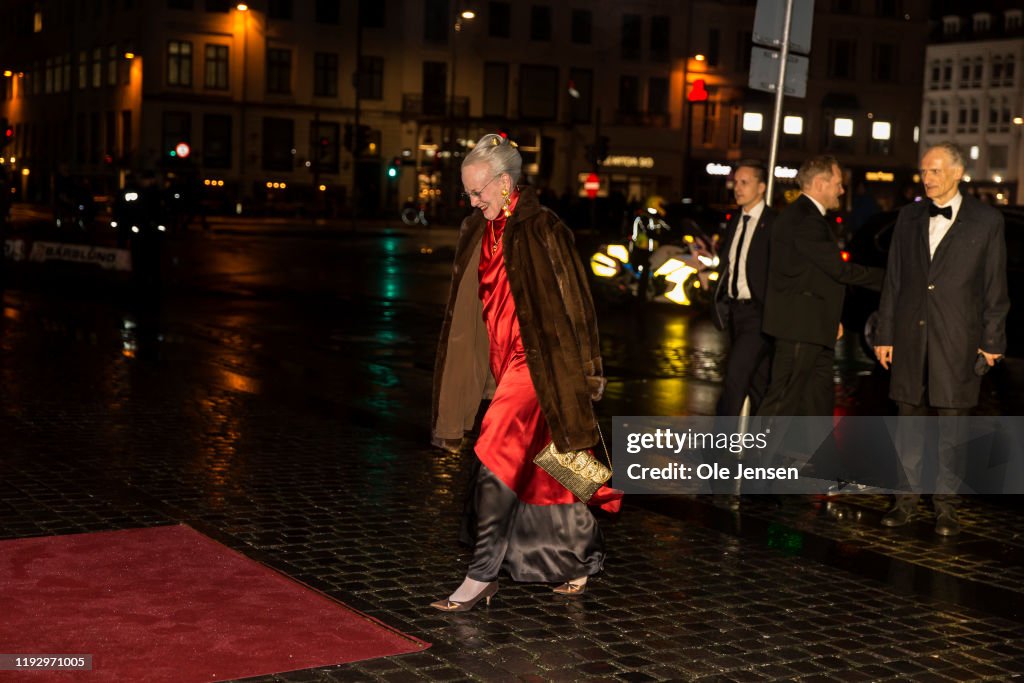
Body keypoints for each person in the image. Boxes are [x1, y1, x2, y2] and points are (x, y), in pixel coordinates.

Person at [430, 133, 621, 612]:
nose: (472, 201)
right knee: (544, 467)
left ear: (504, 182)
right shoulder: (478, 228)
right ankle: (575, 558)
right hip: (501, 365)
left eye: (479, 192)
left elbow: (578, 305)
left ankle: (482, 573)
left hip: (536, 366)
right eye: (468, 193)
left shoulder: (543, 228)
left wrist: (588, 371)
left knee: (494, 449)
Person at [873, 142, 1009, 536]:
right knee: (909, 427)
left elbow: (994, 286)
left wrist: (993, 339)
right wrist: (885, 332)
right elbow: (894, 280)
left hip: (958, 340)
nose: (927, 179)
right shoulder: (909, 217)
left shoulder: (986, 221)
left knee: (953, 432)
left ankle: (946, 509)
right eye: (924, 171)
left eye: (934, 171)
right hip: (910, 338)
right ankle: (904, 502)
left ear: (957, 173)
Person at [758, 155, 883, 417]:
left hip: (813, 326)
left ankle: (811, 456)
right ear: (819, 183)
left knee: (818, 400)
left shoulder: (805, 216)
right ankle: (760, 458)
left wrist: (829, 317)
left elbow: (811, 273)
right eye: (837, 183)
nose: (842, 190)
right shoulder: (806, 220)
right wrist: (888, 278)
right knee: (782, 400)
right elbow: (838, 270)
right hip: (800, 328)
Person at [714, 161, 776, 418]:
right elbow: (731, 263)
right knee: (757, 384)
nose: (737, 188)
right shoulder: (735, 220)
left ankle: (719, 448)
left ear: (761, 187)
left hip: (758, 314)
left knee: (735, 378)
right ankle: (762, 448)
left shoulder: (773, 223)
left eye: (744, 182)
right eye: (735, 182)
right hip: (734, 312)